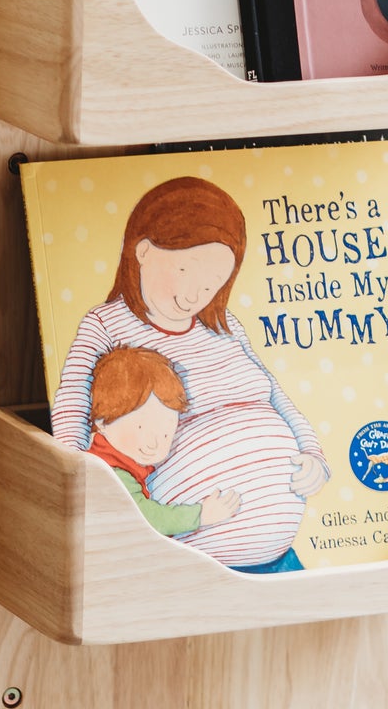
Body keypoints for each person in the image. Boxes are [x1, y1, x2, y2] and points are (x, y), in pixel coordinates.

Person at [51, 176, 328, 572]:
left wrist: (313, 455)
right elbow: (72, 410)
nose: (198, 292)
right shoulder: (106, 325)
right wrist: (87, 499)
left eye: (214, 280)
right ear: (143, 250)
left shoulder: (224, 325)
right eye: (186, 269)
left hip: (280, 557)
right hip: (188, 560)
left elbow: (275, 395)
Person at [86, 347, 240, 540]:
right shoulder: (109, 473)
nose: (154, 443)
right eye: (140, 428)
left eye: (165, 432)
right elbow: (147, 518)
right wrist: (200, 515)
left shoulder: (115, 463)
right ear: (101, 421)